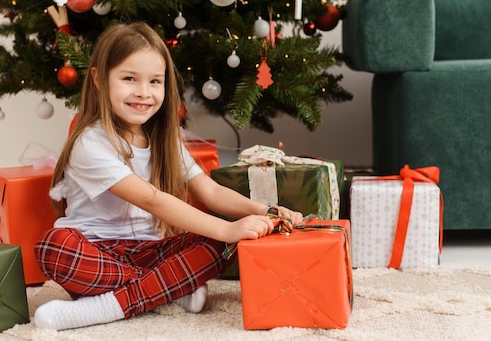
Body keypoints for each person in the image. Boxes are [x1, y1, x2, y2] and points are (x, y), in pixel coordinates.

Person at [34, 22, 304, 331]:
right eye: (129, 79)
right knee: (54, 248)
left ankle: (118, 302)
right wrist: (226, 230)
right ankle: (163, 291)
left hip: (151, 251)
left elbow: (211, 192)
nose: (143, 93)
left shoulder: (166, 137)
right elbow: (152, 200)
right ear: (98, 79)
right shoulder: (90, 143)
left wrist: (264, 212)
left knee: (220, 241)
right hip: (96, 252)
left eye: (154, 81)